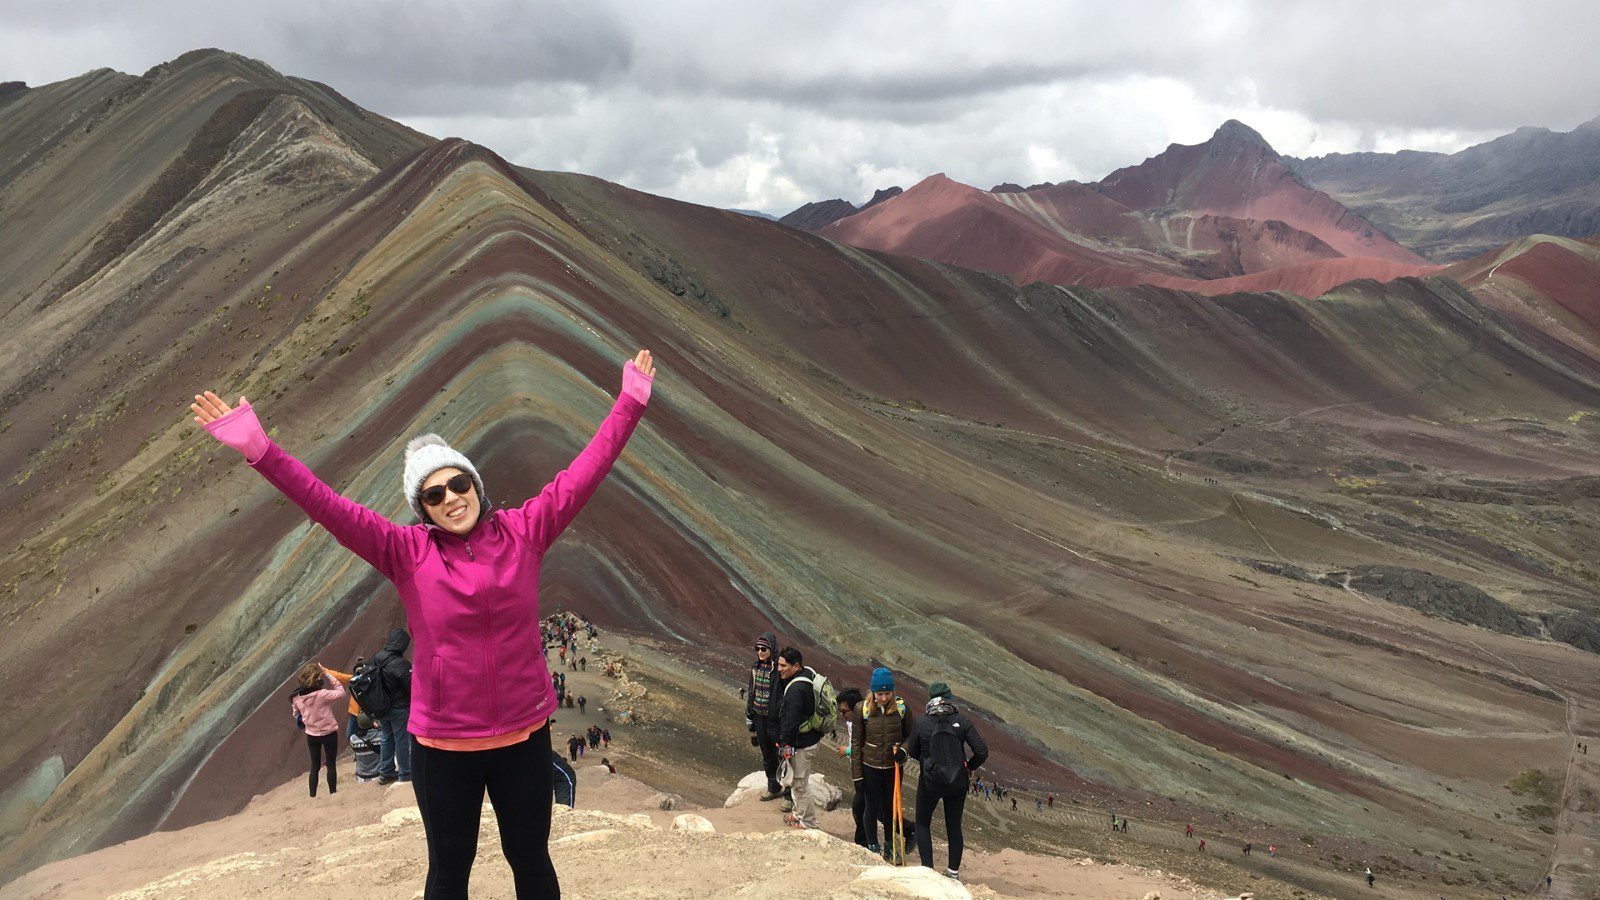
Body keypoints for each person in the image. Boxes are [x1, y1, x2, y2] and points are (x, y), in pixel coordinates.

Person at [190, 349, 656, 900]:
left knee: (531, 862)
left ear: (475, 485)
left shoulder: (524, 531)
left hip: (523, 735)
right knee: (448, 873)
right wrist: (260, 452)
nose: (451, 499)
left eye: (459, 485)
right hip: (442, 745)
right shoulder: (404, 551)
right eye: (434, 495)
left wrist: (629, 403)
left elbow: (584, 473)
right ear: (422, 509)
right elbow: (327, 505)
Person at [903, 681, 987, 882]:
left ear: (930, 698)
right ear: (949, 698)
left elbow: (913, 751)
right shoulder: (962, 721)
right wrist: (969, 767)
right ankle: (953, 873)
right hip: (957, 782)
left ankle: (928, 871)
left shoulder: (922, 723)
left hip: (930, 782)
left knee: (923, 823)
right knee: (954, 826)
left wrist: (928, 761)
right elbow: (982, 751)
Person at [854, 668, 912, 861]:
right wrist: (857, 775)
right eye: (880, 694)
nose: (884, 698)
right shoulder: (862, 709)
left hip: (892, 767)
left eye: (888, 693)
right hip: (870, 766)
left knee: (889, 808)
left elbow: (910, 736)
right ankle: (872, 845)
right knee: (871, 807)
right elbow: (856, 743)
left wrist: (903, 751)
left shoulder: (902, 708)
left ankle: (889, 844)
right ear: (873, 692)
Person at [776, 647, 824, 829]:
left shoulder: (796, 689)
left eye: (783, 665)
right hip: (810, 739)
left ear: (796, 666)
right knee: (799, 782)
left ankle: (808, 822)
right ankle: (799, 814)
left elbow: (790, 722)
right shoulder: (807, 675)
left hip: (802, 744)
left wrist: (784, 748)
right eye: (779, 665)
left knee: (799, 784)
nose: (780, 669)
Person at [289, 662, 346, 797]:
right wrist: (328, 673)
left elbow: (295, 714)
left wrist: (306, 720)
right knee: (331, 764)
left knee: (314, 766)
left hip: (312, 734)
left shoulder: (296, 697)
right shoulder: (322, 694)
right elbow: (341, 692)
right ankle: (332, 793)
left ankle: (312, 796)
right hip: (329, 733)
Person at [370, 628, 414, 785]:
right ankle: (405, 773)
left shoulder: (376, 658)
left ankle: (386, 772)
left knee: (386, 738)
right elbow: (412, 686)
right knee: (402, 740)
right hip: (399, 707)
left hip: (381, 707)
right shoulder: (401, 664)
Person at [745, 632, 784, 802]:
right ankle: (773, 787)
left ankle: (789, 793)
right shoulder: (755, 668)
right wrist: (751, 722)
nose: (760, 652)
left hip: (774, 720)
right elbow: (751, 694)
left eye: (764, 649)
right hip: (759, 718)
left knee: (783, 756)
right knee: (767, 755)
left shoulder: (779, 670)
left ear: (772, 649)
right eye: (758, 649)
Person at [834, 687, 869, 848]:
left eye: (844, 711)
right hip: (859, 769)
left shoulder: (863, 723)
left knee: (861, 806)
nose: (842, 715)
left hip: (867, 770)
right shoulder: (851, 722)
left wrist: (846, 750)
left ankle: (863, 841)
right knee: (865, 806)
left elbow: (864, 747)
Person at [349, 713, 384, 782]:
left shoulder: (353, 739)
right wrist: (378, 726)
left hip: (361, 777)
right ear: (372, 722)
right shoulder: (380, 735)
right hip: (379, 774)